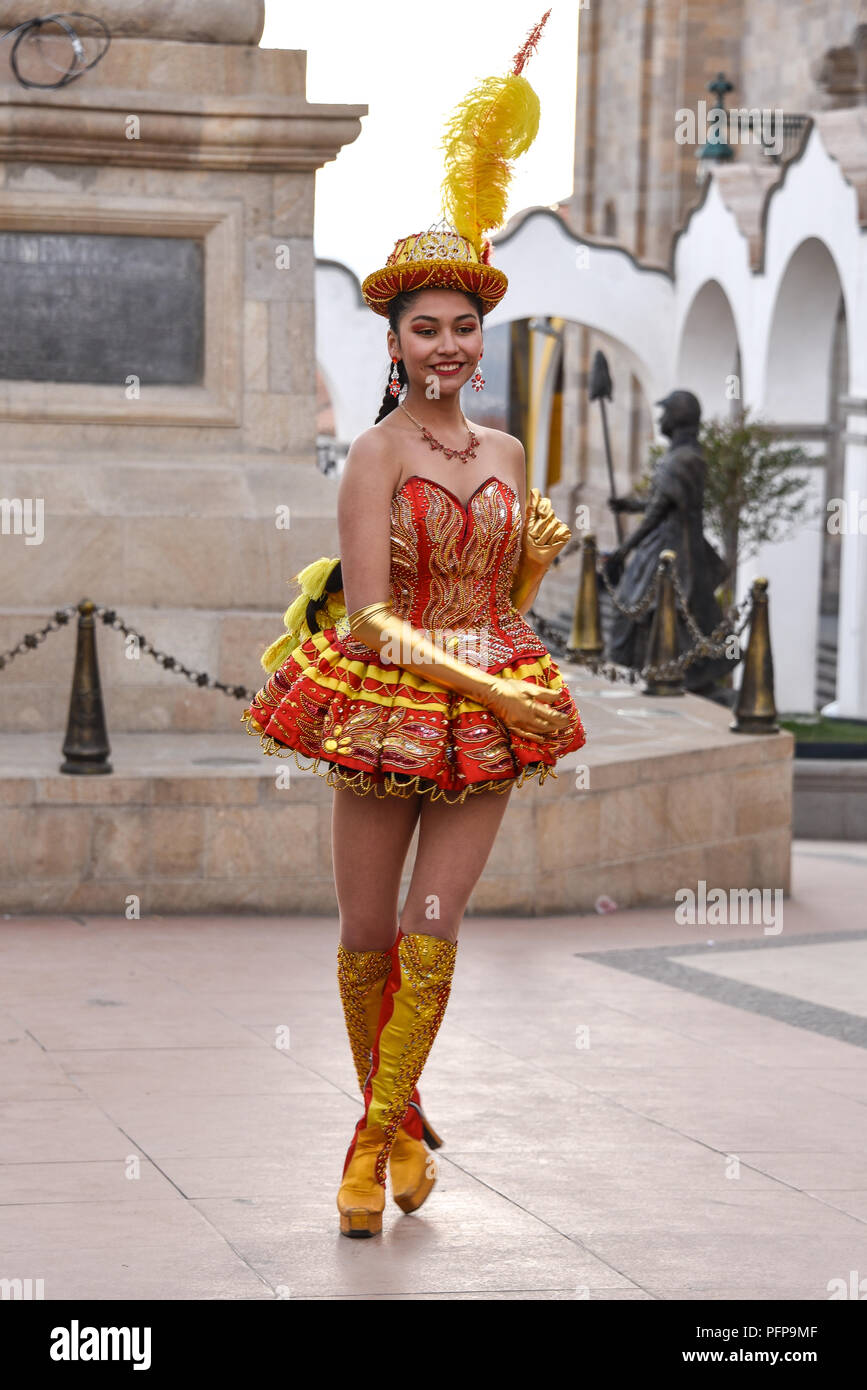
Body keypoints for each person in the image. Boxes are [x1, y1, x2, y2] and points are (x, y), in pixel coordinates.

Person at [240, 12, 587, 1238]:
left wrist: (530, 584)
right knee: (365, 929)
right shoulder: (374, 452)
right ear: (394, 343)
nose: (447, 343)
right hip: (393, 700)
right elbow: (381, 617)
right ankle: (393, 1119)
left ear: (480, 340)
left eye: (463, 326)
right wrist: (492, 689)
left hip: (493, 696)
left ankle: (369, 1141)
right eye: (425, 328)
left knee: (436, 929)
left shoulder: (502, 446)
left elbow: (493, 598)